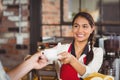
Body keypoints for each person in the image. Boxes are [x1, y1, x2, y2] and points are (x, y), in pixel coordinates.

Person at [55, 12, 104, 80]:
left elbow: (90, 74)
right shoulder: (61, 49)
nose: (80, 30)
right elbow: (43, 55)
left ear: (92, 29)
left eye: (84, 26)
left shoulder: (97, 52)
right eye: (76, 26)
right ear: (72, 28)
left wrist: (72, 60)